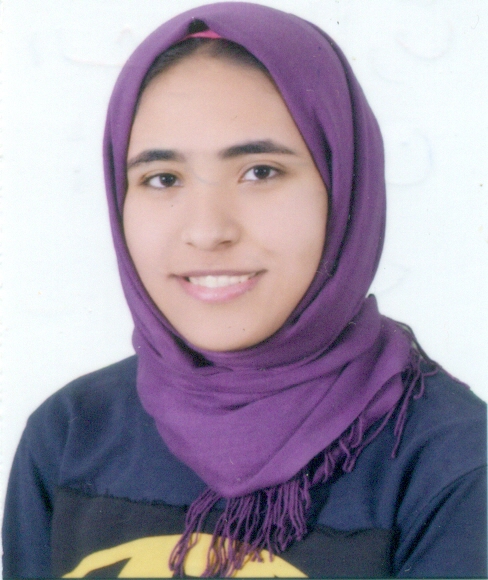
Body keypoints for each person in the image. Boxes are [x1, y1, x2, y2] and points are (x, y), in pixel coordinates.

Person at [2, 3, 486, 578]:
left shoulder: (450, 463)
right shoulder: (70, 434)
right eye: (162, 178)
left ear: (344, 186)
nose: (208, 231)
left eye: (260, 171)